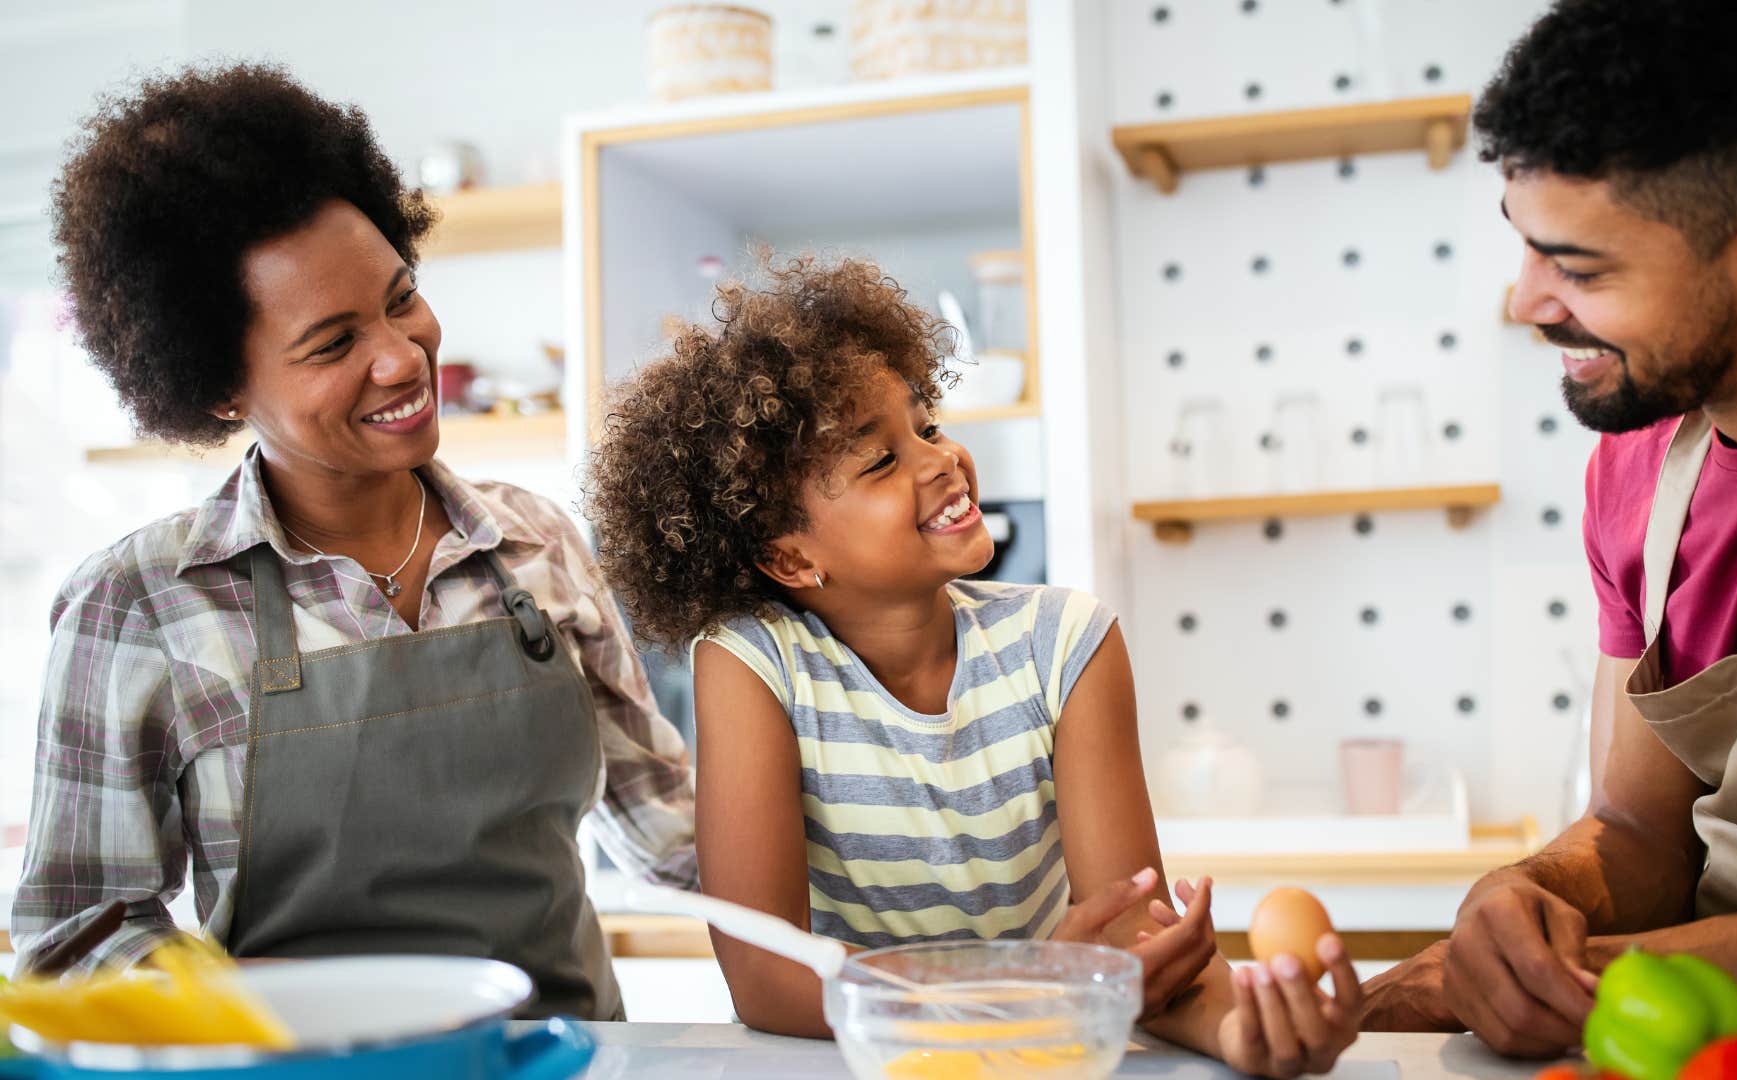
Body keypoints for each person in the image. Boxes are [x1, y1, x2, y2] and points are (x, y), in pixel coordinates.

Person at [11, 64, 695, 1021]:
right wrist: (247, 1023)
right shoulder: (141, 605)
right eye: (332, 344)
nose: (403, 356)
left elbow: (669, 826)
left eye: (401, 297)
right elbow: (77, 930)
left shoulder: (536, 540)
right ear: (218, 386)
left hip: (568, 1057)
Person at [584, 255, 1363, 1076]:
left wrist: (1244, 1032)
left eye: (926, 426)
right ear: (789, 556)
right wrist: (1027, 980)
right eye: (880, 461)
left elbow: (1134, 945)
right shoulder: (753, 665)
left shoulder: (1065, 643)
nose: (939, 459)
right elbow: (767, 976)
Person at [1358, 0, 1737, 1054]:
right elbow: (1638, 833)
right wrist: (1519, 898)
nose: (1525, 303)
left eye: (1579, 267)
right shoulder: (1640, 455)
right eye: (1525, 251)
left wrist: (1536, 976)